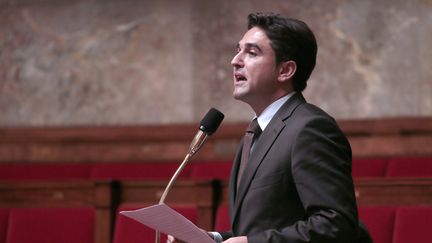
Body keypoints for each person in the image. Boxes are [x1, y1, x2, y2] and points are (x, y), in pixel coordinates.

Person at [170, 12, 372, 243]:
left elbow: (336, 224)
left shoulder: (311, 129)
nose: (235, 60)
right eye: (238, 50)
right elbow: (264, 226)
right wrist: (214, 239)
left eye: (252, 52)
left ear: (285, 70)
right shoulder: (255, 131)